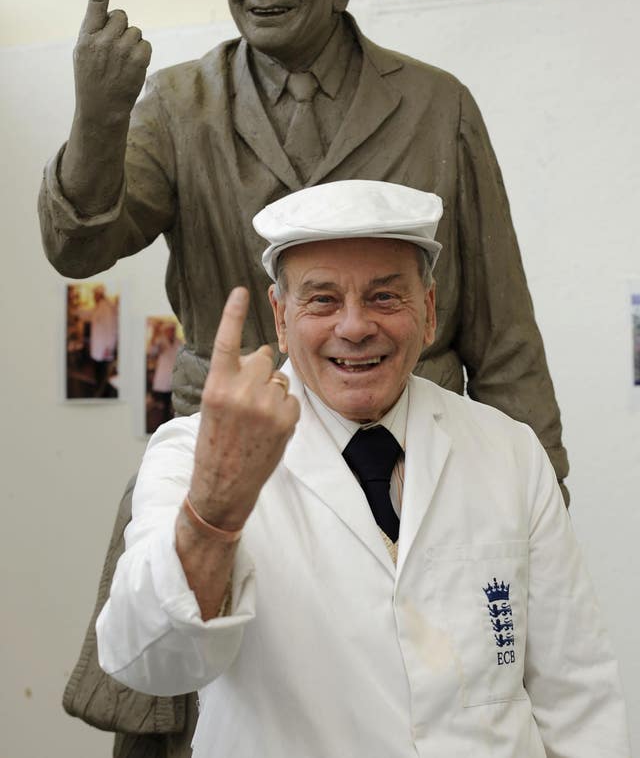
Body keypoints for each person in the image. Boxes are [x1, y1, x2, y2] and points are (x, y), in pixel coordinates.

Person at [37, 0, 569, 498]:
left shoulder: (437, 107)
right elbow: (79, 248)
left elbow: (502, 331)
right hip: (231, 452)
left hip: (407, 453)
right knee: (160, 589)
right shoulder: (179, 106)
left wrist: (540, 491)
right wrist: (98, 119)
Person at [96, 180, 629, 758]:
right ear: (279, 318)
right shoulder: (192, 453)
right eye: (322, 300)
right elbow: (148, 660)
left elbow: (578, 698)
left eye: (383, 297)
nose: (354, 327)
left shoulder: (510, 452)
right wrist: (215, 510)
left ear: (427, 313)